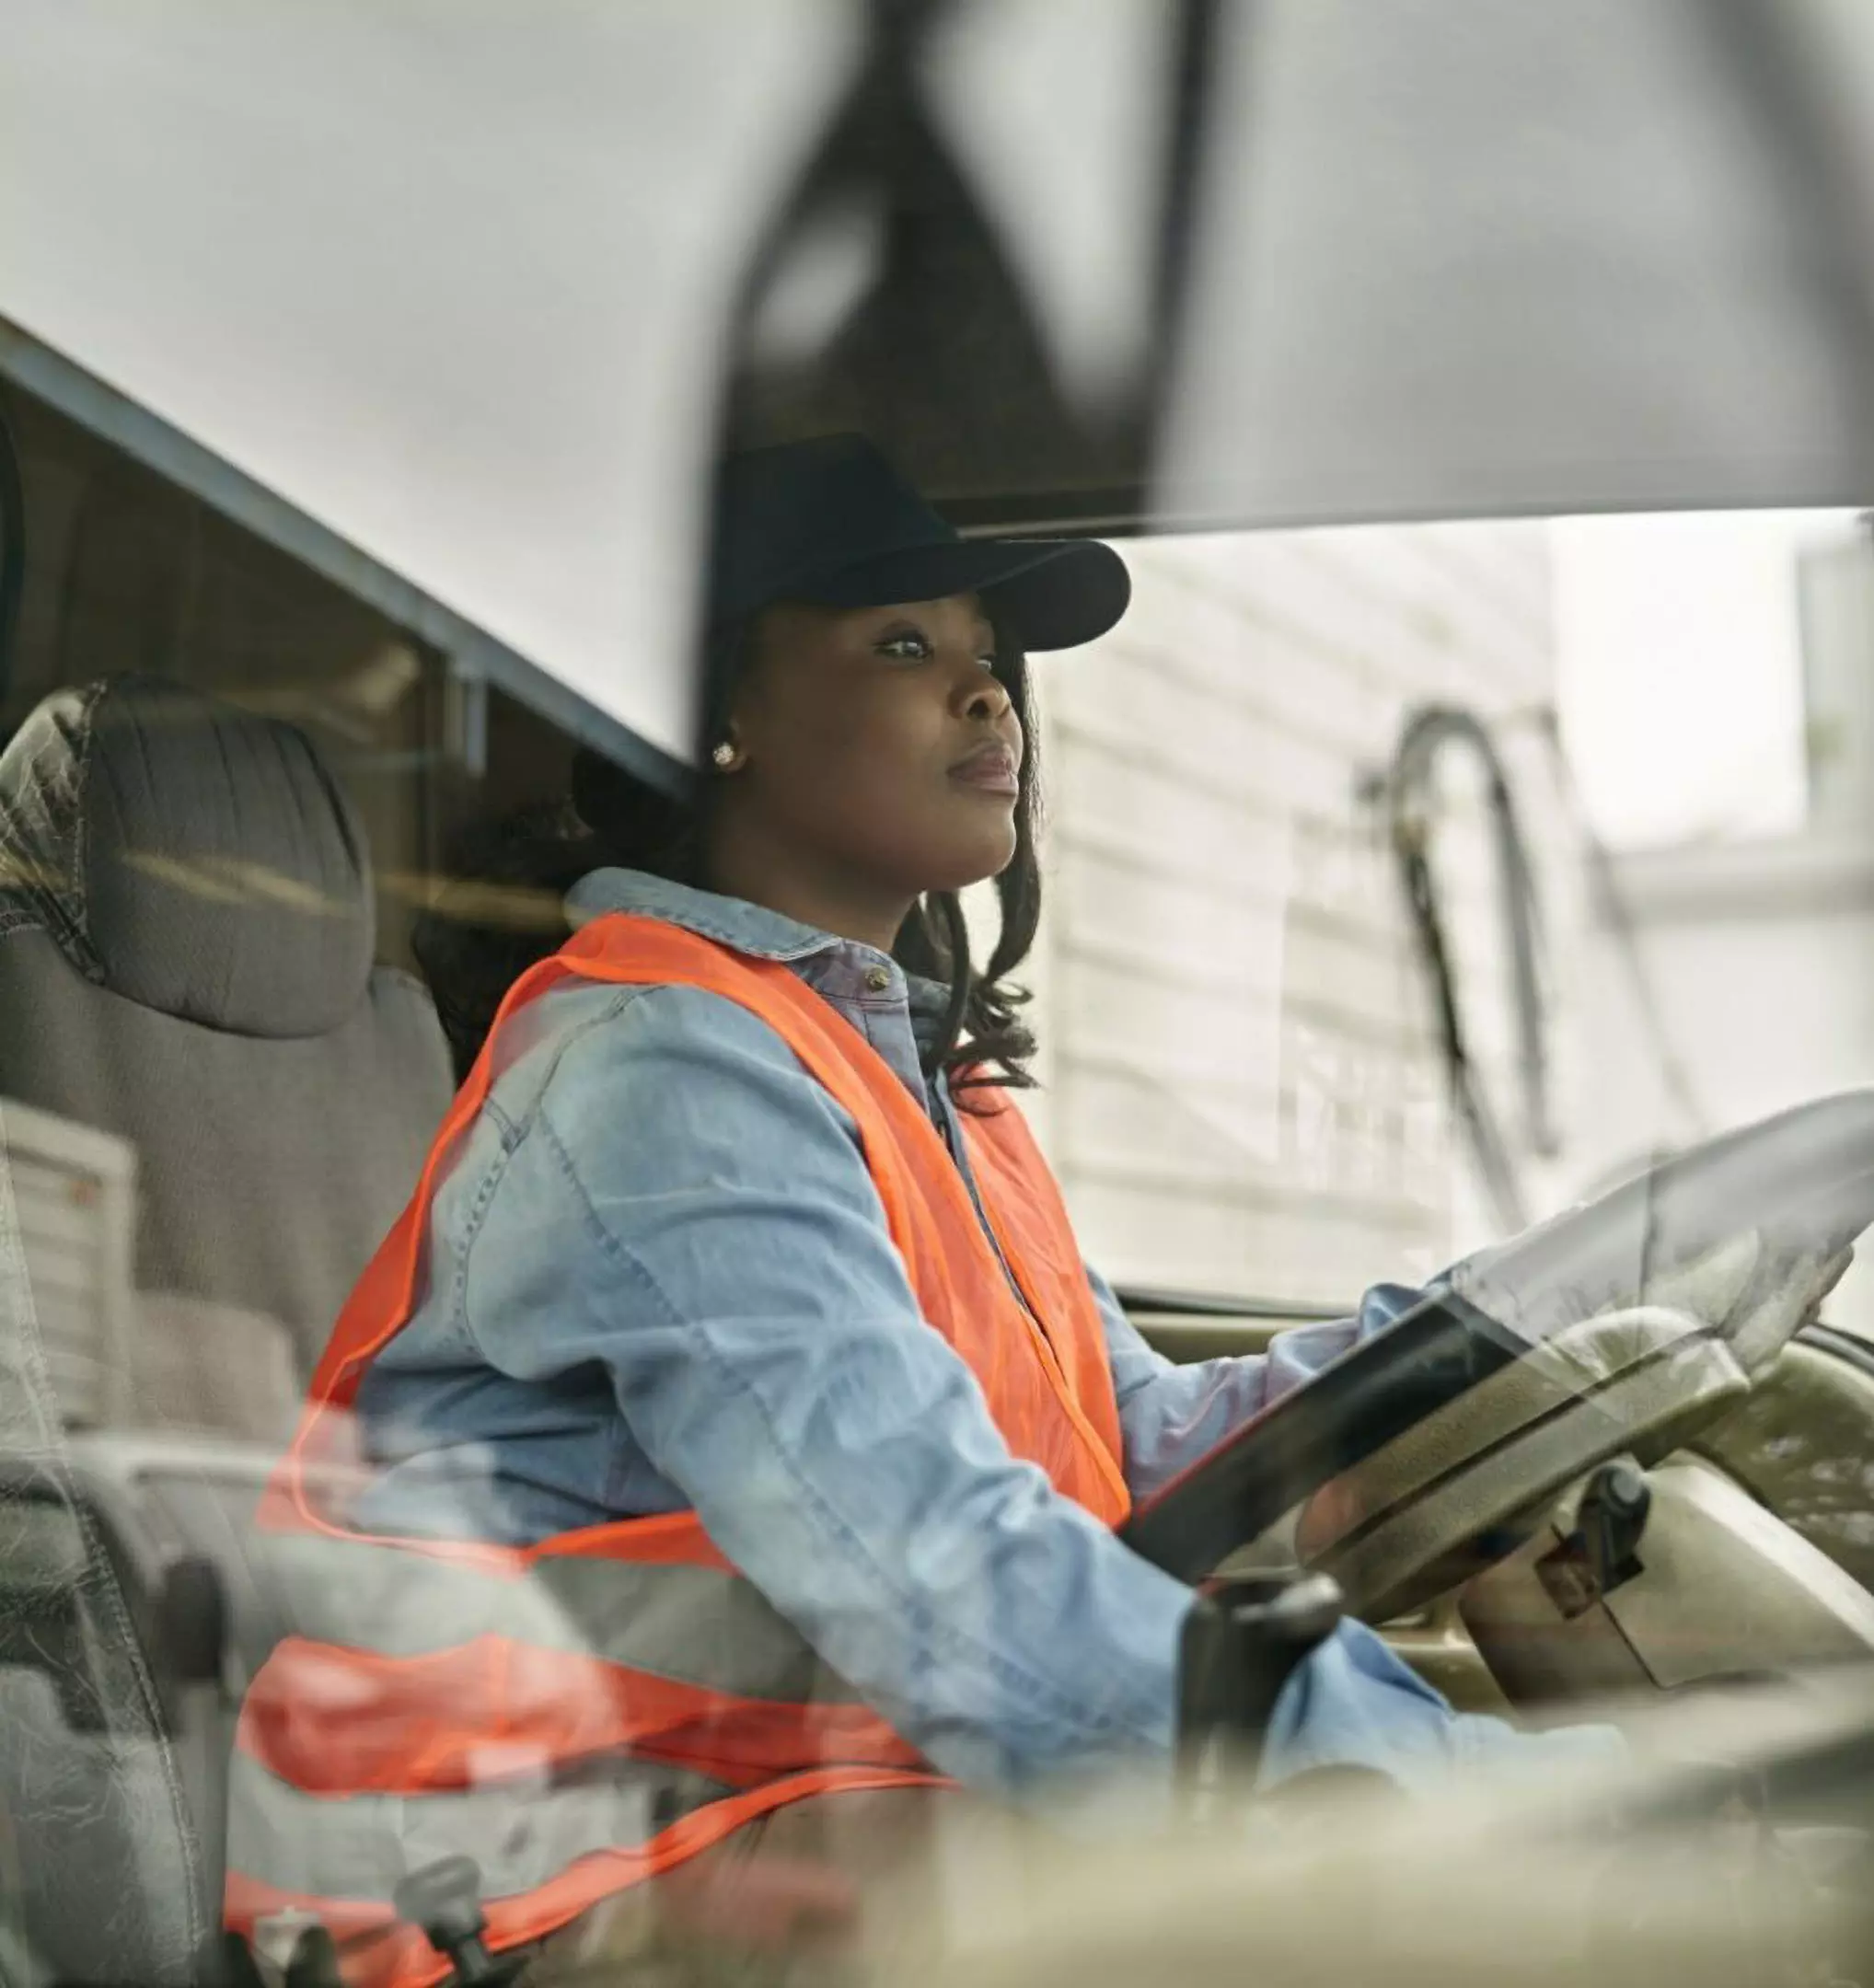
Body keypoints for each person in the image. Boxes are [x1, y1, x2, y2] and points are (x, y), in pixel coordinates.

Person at [223, 435, 1616, 1987]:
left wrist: (1493, 1332)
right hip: (515, 1890)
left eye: (989, 653)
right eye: (905, 644)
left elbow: (1136, 1445)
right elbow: (935, 1572)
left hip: (757, 1807)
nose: (988, 693)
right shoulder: (661, 1070)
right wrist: (1469, 1793)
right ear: (724, 720)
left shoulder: (927, 1091)